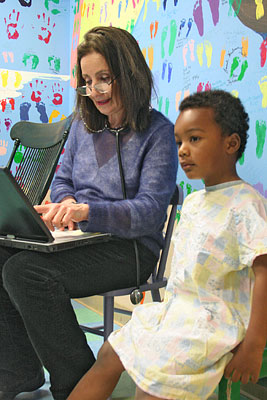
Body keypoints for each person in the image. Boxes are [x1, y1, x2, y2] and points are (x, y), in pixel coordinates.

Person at [0, 26, 178, 400]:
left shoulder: (158, 132)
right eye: (87, 81)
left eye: (104, 79)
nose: (94, 91)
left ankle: (79, 383)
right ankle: (19, 372)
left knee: (24, 273)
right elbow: (64, 179)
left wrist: (86, 211)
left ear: (128, 75)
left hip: (130, 249)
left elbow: (148, 213)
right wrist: (63, 205)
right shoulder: (83, 127)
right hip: (80, 239)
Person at [67, 90, 267, 400]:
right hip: (177, 312)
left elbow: (264, 273)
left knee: (153, 385)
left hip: (214, 322)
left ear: (231, 144)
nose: (183, 151)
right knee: (109, 353)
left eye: (195, 139)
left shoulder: (245, 204)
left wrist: (254, 345)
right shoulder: (196, 201)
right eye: (179, 142)